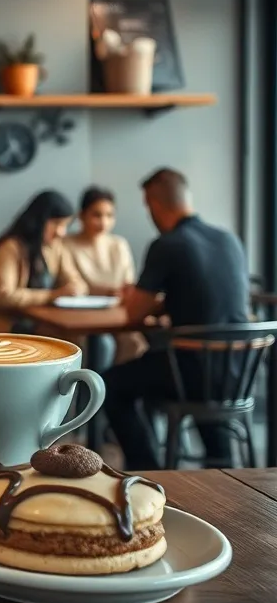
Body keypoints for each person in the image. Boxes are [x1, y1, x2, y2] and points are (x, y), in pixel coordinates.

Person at [102, 168, 250, 470]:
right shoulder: (228, 239)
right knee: (192, 370)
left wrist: (136, 298)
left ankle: (149, 470)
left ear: (154, 204)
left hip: (192, 372)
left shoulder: (168, 244)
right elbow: (205, 298)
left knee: (109, 384)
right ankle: (222, 466)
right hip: (239, 372)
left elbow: (134, 313)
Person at [0, 190, 88, 333]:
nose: (61, 232)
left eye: (65, 225)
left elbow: (76, 280)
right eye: (56, 223)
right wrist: (52, 295)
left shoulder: (56, 247)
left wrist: (76, 288)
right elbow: (4, 296)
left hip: (44, 321)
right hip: (8, 325)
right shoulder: (10, 248)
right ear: (38, 220)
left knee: (88, 338)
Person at [64, 187, 147, 365]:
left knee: (134, 343)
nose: (104, 222)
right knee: (94, 346)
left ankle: (118, 384)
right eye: (97, 215)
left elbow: (128, 284)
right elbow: (71, 285)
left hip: (117, 316)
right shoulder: (66, 244)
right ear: (82, 215)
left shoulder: (119, 245)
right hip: (79, 318)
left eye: (109, 216)